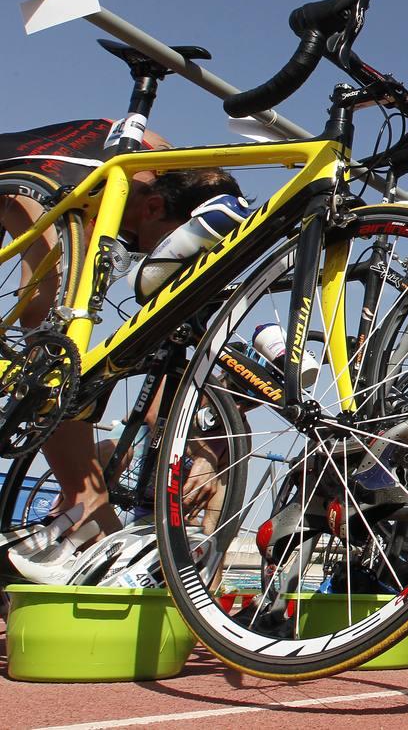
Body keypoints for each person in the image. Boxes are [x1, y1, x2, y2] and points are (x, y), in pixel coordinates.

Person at [0, 119, 244, 582]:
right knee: (54, 333)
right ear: (154, 208)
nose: (154, 257)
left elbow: (175, 340)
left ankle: (88, 502)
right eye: (166, 248)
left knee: (55, 334)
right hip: (33, 184)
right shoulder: (134, 186)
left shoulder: (173, 171)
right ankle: (84, 498)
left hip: (62, 175)